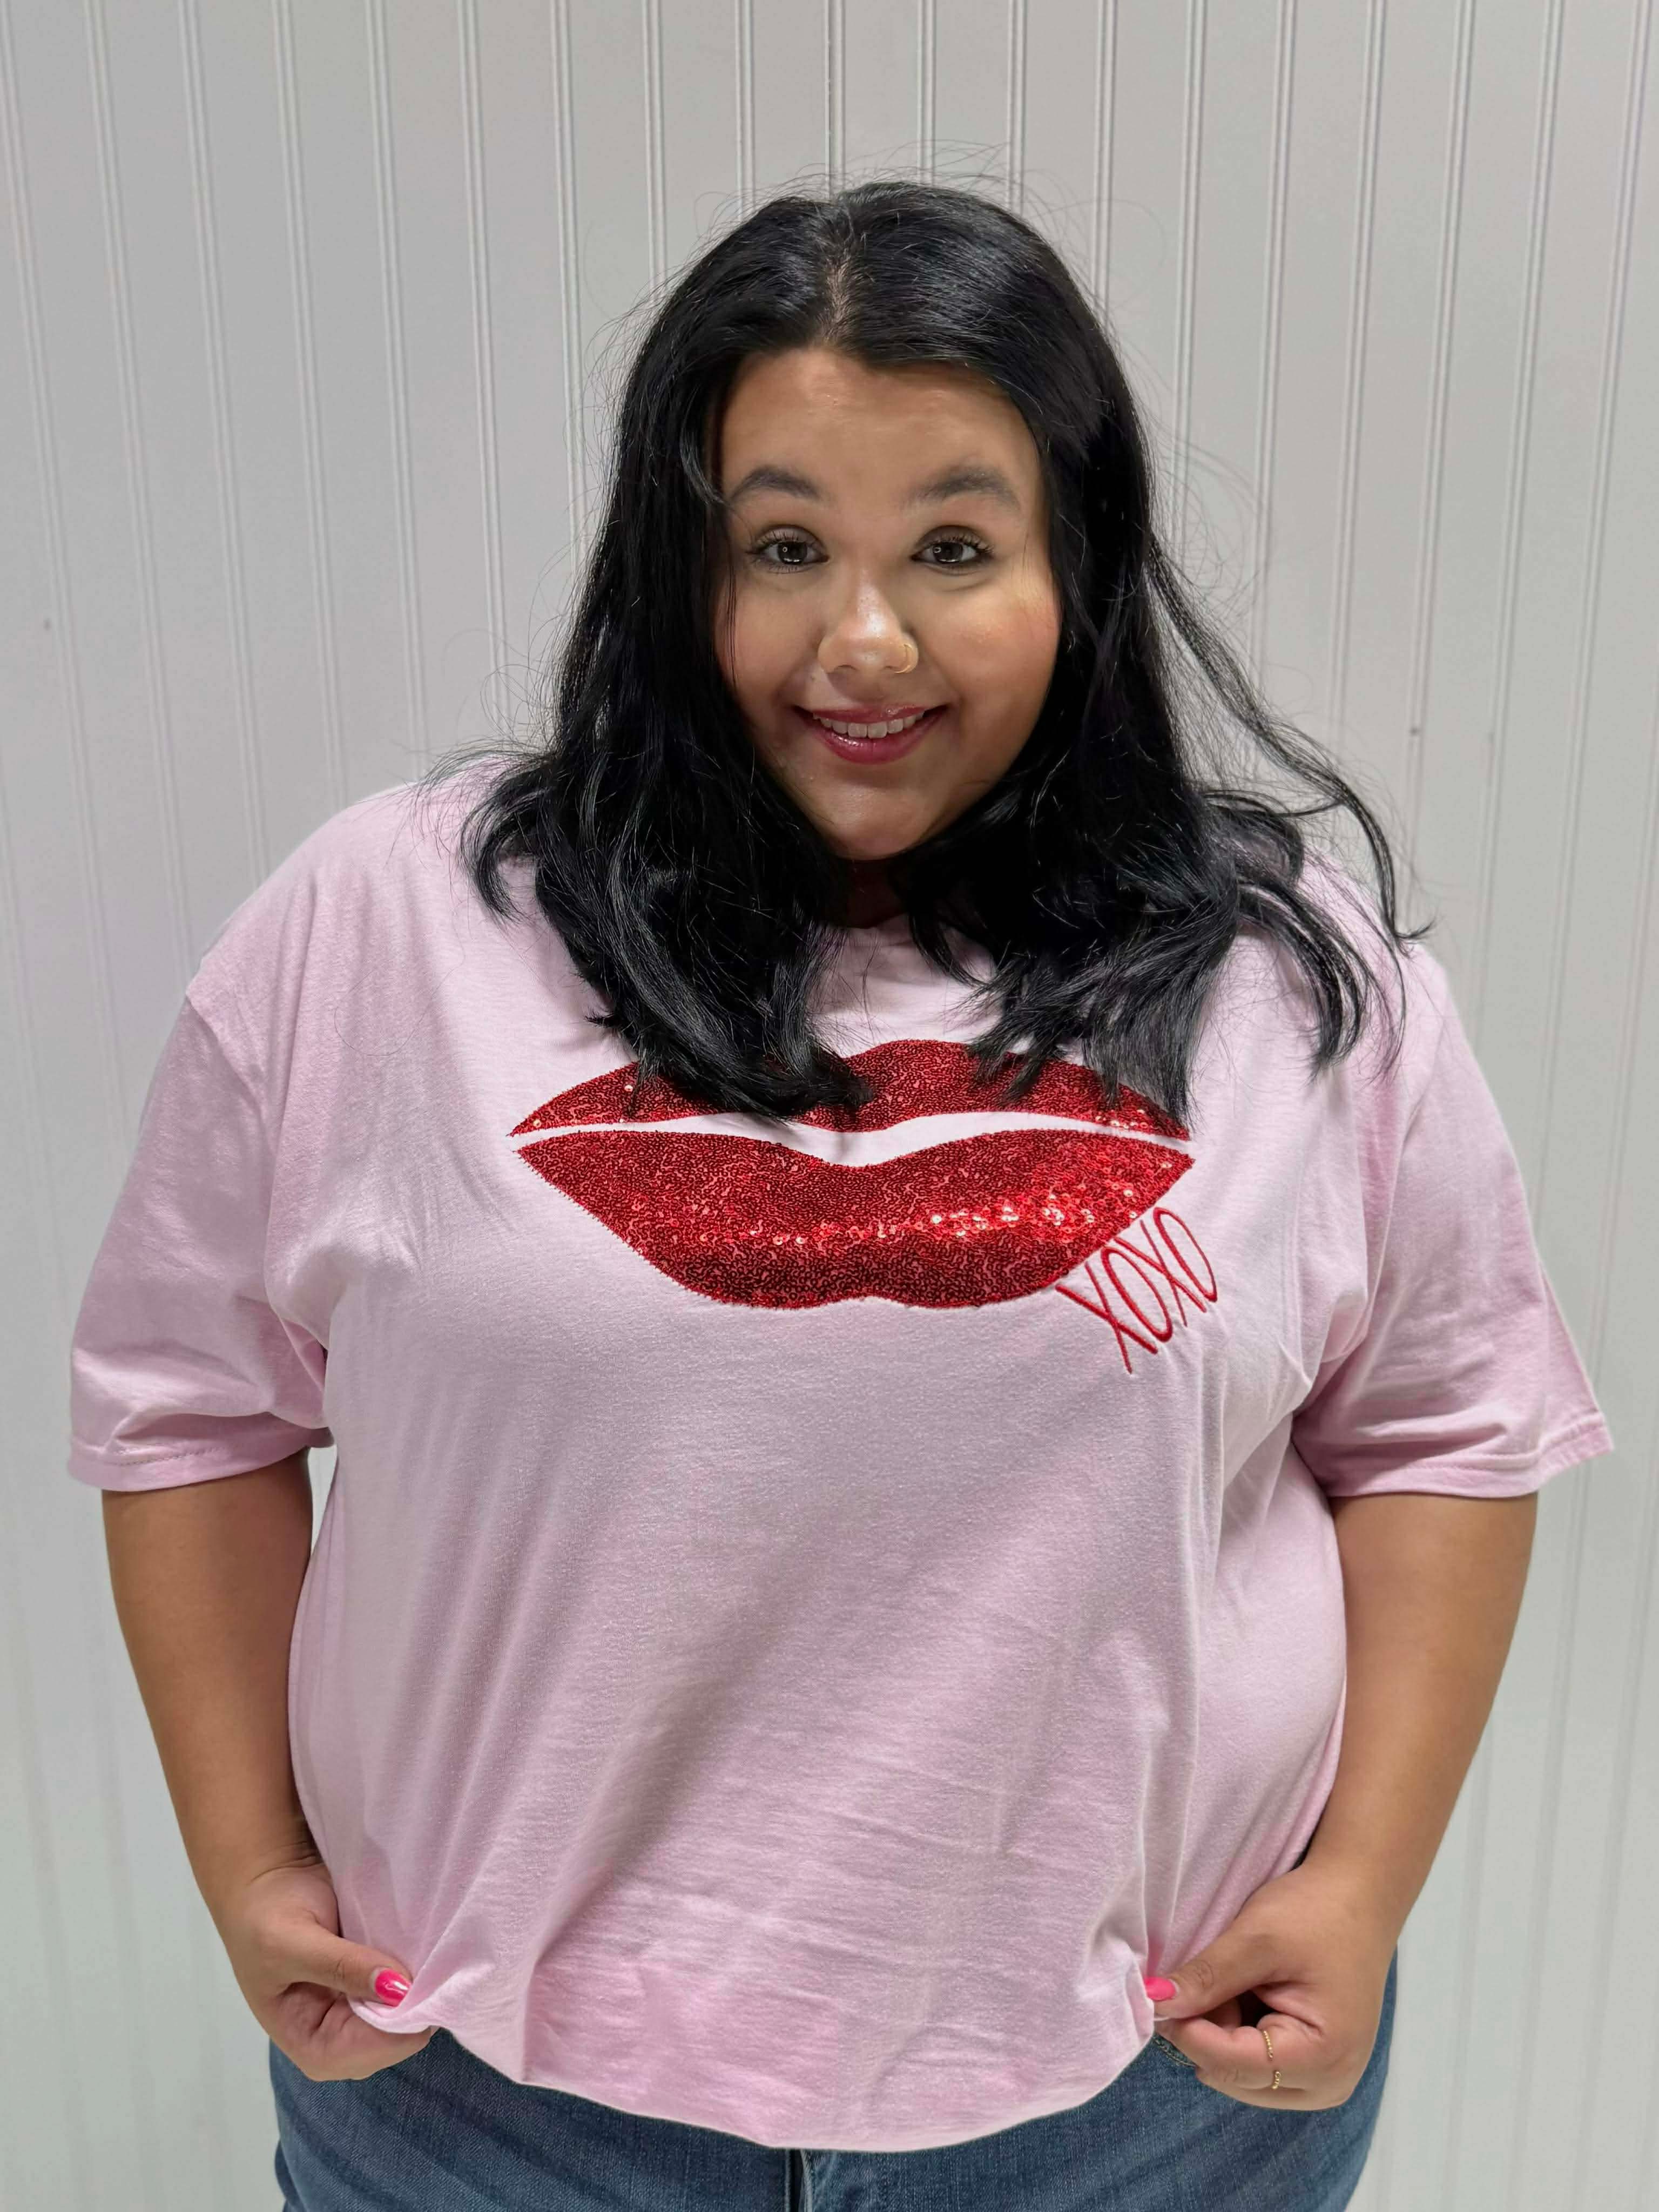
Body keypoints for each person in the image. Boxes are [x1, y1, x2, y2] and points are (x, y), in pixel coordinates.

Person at [68, 180, 1612, 2212]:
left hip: (1153, 2098)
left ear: (1077, 566)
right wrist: (247, 1858)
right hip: (483, 2094)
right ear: (674, 568)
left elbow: (1442, 1435)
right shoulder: (384, 926)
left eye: (954, 547)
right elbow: (192, 1408)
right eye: (783, 546)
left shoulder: (1291, 980)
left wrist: (1363, 1888)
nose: (863, 641)